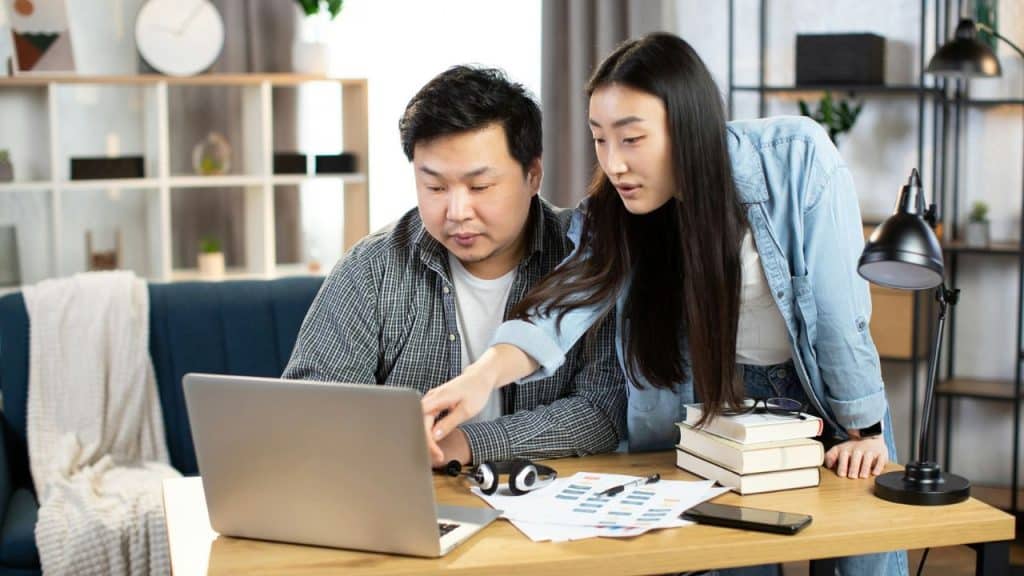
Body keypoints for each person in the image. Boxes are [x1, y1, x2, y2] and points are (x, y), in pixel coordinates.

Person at [421, 34, 907, 575]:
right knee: (730, 555)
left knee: (861, 549)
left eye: (631, 139)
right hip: (725, 404)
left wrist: (862, 428)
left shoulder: (795, 158)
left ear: (687, 125)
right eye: (600, 140)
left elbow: (838, 313)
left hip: (826, 394)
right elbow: (559, 311)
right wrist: (482, 377)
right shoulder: (613, 213)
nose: (615, 163)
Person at [283, 65, 625, 469]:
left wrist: (465, 443)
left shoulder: (584, 257)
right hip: (411, 508)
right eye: (435, 187)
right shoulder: (372, 269)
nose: (457, 212)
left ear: (533, 174)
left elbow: (601, 411)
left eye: (480, 187)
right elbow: (310, 406)